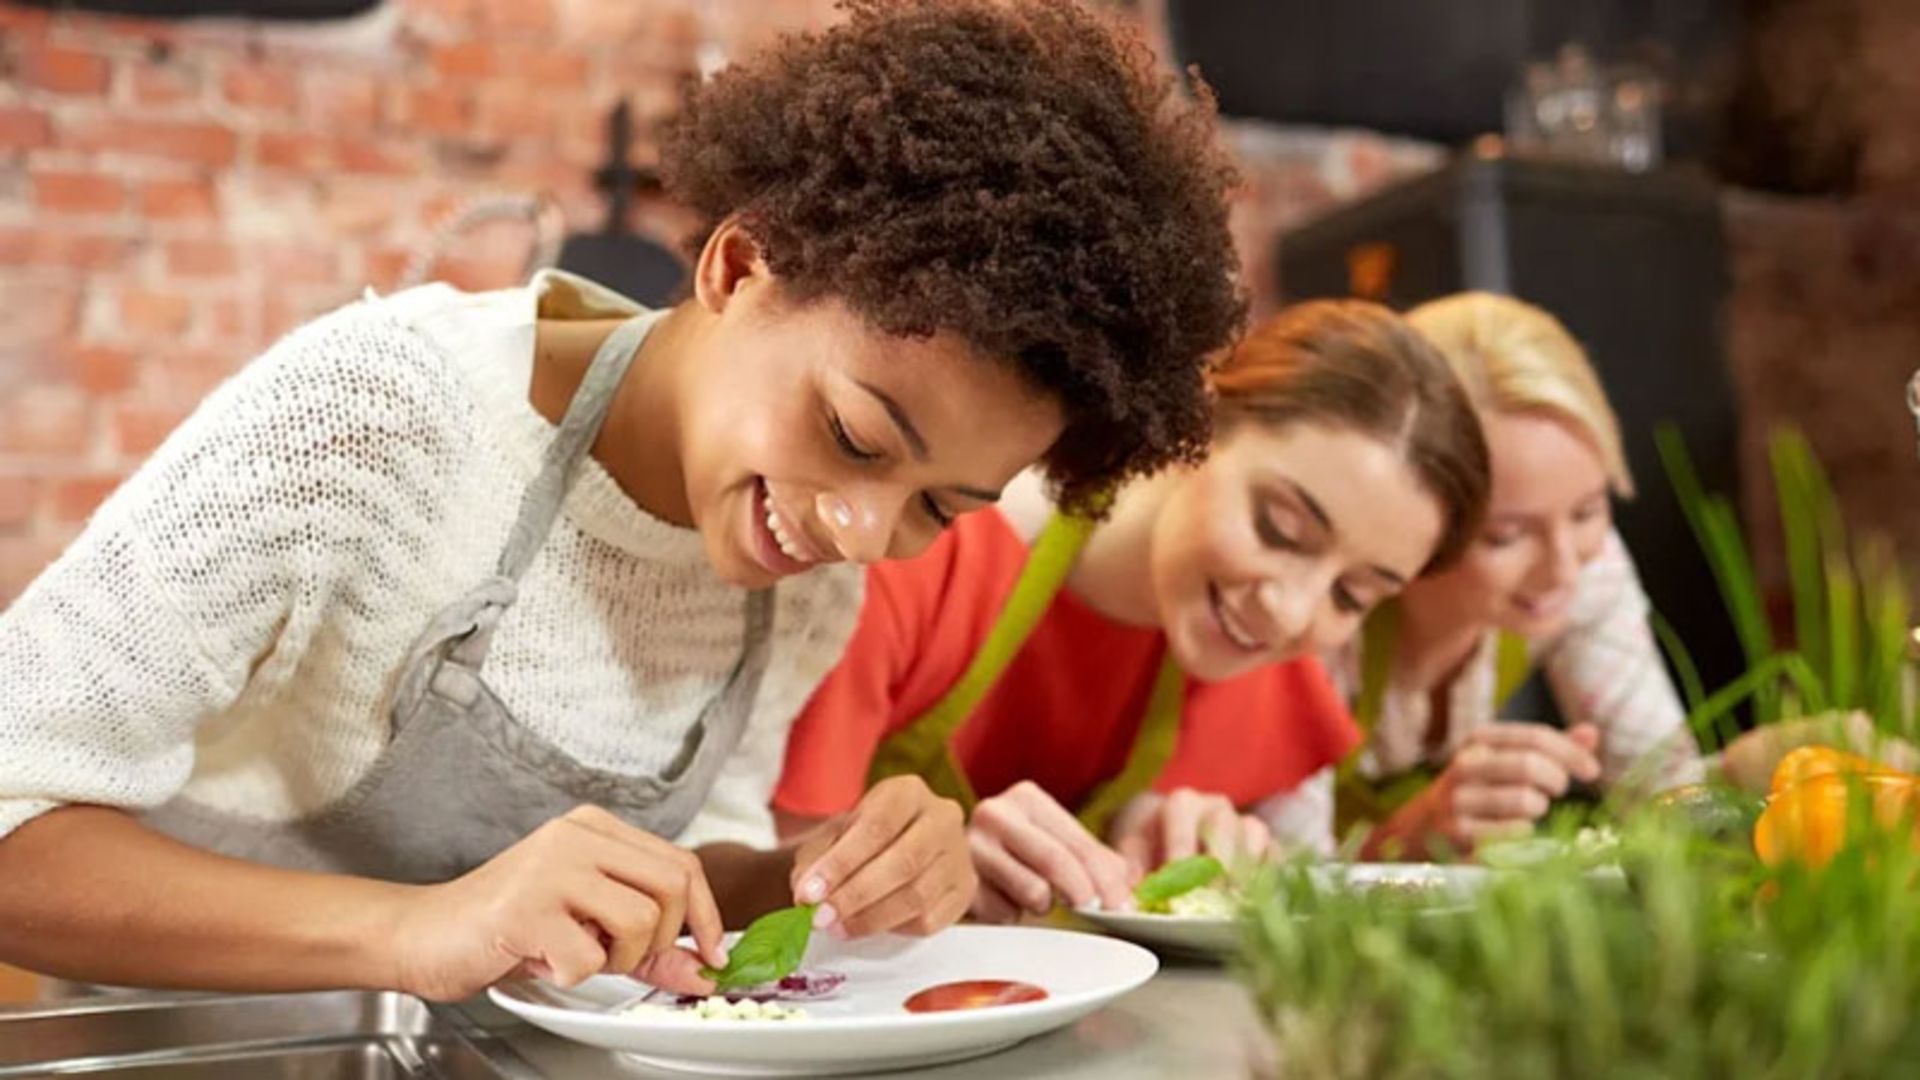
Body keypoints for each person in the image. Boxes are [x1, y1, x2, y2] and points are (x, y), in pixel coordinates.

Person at [0, 0, 1244, 1000]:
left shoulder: (803, 579)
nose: (859, 532)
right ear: (740, 265)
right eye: (857, 436)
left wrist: (807, 873)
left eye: (940, 508)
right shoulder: (383, 416)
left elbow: (684, 879)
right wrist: (418, 931)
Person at [773, 300, 1490, 920]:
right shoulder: (923, 555)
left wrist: (1212, 867)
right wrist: (929, 878)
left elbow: (1298, 933)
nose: (1288, 609)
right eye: (1280, 528)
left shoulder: (1278, 689)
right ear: (1197, 425)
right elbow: (760, 873)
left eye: (1353, 594)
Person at [1295, 292, 1704, 860]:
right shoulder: (1315, 609)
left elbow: (1660, 787)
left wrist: (1762, 781)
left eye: (1587, 511)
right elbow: (1268, 888)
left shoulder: (1590, 564)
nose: (1564, 568)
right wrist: (1413, 834)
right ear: (1413, 516)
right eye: (1506, 536)